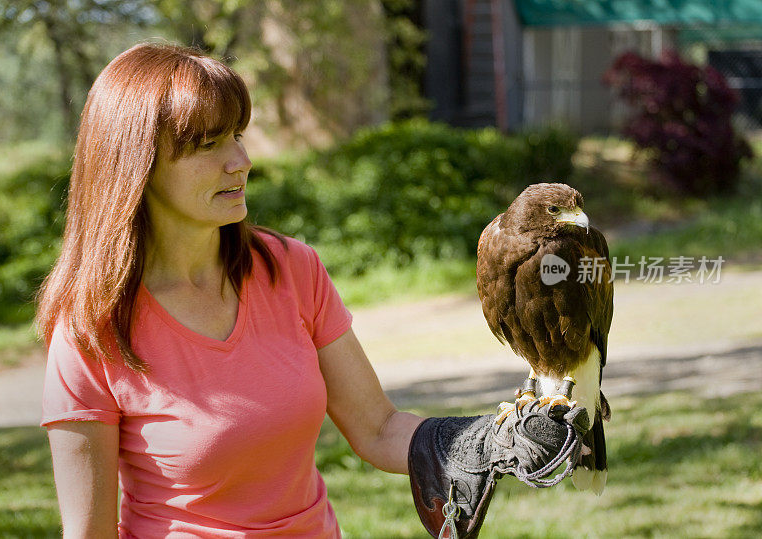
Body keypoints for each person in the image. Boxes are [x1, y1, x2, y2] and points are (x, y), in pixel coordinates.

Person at [38, 42, 584, 539]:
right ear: (137, 164)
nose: (240, 161)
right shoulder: (93, 329)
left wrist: (487, 440)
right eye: (208, 144)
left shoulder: (289, 270)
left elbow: (377, 427)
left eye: (237, 135)